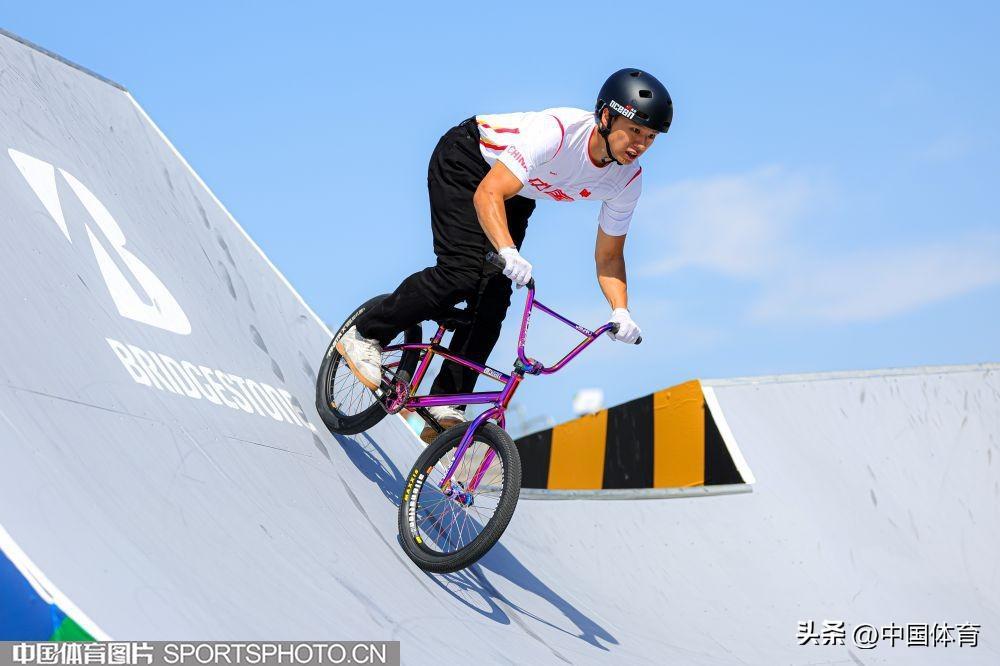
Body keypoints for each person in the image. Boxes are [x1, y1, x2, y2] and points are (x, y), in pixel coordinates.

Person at [338, 68, 672, 443]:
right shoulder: (558, 133)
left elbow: (609, 256)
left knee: (495, 297)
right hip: (469, 160)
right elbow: (488, 193)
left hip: (517, 193)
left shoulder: (626, 181)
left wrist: (620, 310)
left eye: (650, 137)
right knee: (463, 272)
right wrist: (507, 250)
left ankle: (447, 400)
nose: (641, 144)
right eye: (635, 130)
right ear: (607, 117)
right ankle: (366, 334)